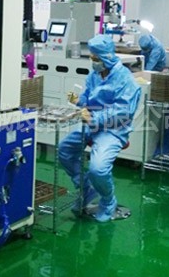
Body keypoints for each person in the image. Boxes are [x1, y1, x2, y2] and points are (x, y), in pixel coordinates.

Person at [58, 35, 141, 222]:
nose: (93, 61)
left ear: (106, 56)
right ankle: (86, 187)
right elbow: (88, 99)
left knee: (98, 169)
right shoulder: (94, 75)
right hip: (91, 126)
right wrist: (78, 100)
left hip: (113, 129)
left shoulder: (125, 79)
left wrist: (94, 118)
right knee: (65, 150)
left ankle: (108, 201)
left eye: (95, 58)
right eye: (91, 57)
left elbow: (124, 112)